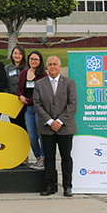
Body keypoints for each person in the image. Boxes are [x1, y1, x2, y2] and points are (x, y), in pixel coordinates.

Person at [34, 56, 77, 197]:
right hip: (47, 128)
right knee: (49, 158)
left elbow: (72, 104)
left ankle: (67, 186)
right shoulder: (40, 84)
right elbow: (37, 104)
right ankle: (50, 186)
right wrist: (50, 121)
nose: (52, 67)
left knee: (66, 157)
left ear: (60, 66)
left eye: (55, 64)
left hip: (65, 127)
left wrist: (60, 121)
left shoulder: (69, 83)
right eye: (50, 64)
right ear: (47, 67)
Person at [18, 51, 47, 169]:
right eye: (31, 59)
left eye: (36, 59)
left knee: (41, 135)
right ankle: (38, 158)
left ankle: (43, 158)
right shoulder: (24, 73)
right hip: (28, 110)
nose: (33, 61)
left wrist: (29, 100)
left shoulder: (43, 75)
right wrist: (20, 96)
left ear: (40, 61)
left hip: (39, 108)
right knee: (32, 136)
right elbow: (20, 88)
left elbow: (43, 92)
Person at [5, 45, 28, 134]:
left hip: (24, 102)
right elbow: (4, 83)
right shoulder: (7, 68)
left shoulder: (27, 68)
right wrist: (8, 96)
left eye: (19, 53)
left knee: (24, 126)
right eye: (15, 53)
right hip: (12, 102)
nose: (17, 55)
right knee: (14, 125)